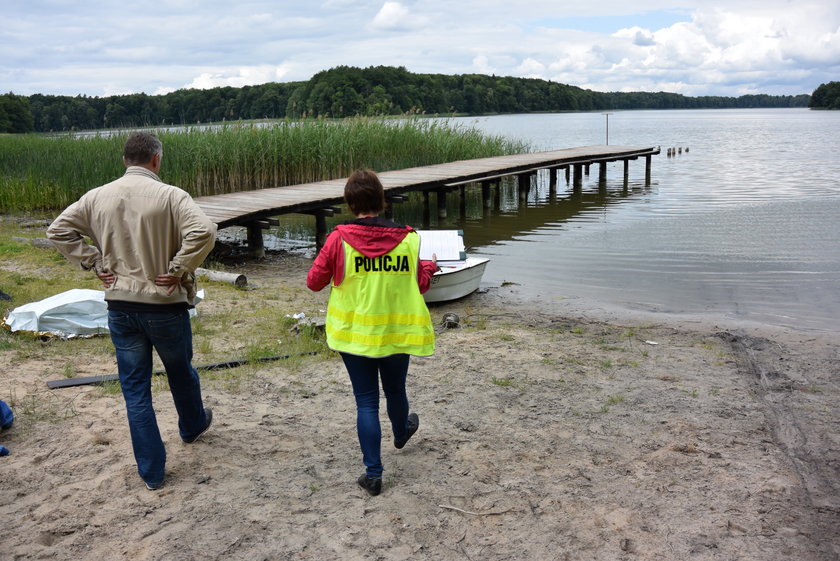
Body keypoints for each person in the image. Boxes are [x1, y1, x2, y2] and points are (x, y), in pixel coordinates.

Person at [47, 131, 217, 490]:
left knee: (135, 389)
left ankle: (152, 472)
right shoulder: (171, 196)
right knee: (180, 372)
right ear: (156, 159)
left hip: (120, 305)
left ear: (125, 161)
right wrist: (177, 269)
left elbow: (59, 230)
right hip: (164, 305)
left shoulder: (96, 197)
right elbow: (203, 230)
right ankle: (191, 426)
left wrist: (93, 261)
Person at [307, 169, 438, 496]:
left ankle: (374, 474)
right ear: (381, 200)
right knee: (395, 391)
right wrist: (430, 265)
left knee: (366, 402)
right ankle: (400, 432)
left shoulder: (337, 239)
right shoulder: (409, 238)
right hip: (396, 333)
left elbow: (314, 282)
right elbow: (419, 284)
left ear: (350, 204)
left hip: (354, 336)